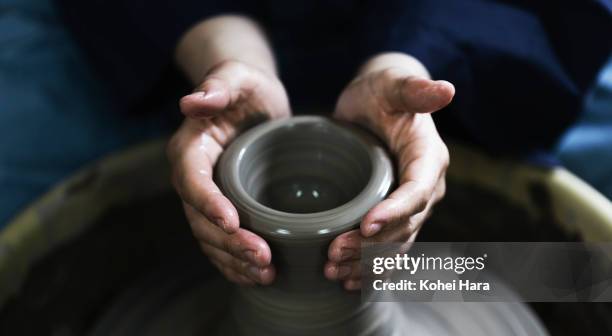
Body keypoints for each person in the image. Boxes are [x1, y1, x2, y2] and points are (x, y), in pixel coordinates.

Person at [4, 0, 612, 289]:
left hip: (450, 32)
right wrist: (225, 57)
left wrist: (411, 60)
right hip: (188, 34)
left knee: (581, 274)